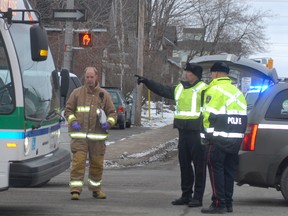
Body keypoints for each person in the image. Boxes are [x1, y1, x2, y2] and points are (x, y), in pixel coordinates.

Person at [135, 62, 207, 207]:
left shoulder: (204, 89)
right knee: (185, 165)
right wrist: (147, 82)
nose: (186, 74)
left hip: (198, 133)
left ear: (196, 75)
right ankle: (186, 195)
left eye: (189, 72)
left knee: (199, 166)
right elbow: (163, 90)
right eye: (185, 72)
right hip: (183, 132)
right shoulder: (180, 88)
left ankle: (198, 197)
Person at [200, 62, 247, 214]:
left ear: (217, 73)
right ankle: (228, 203)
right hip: (235, 140)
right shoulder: (237, 92)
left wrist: (206, 136)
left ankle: (219, 204)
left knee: (216, 171)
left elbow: (208, 115)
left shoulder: (214, 89)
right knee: (229, 172)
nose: (211, 75)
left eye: (212, 73)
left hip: (218, 139)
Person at [64, 66, 117, 200]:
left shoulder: (104, 95)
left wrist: (108, 123)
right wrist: (73, 121)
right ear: (84, 77)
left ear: (96, 77)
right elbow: (68, 110)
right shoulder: (76, 93)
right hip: (79, 138)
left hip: (97, 139)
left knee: (97, 165)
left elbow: (112, 113)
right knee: (78, 164)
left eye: (91, 77)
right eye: (87, 77)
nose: (89, 80)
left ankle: (96, 190)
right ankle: (75, 190)